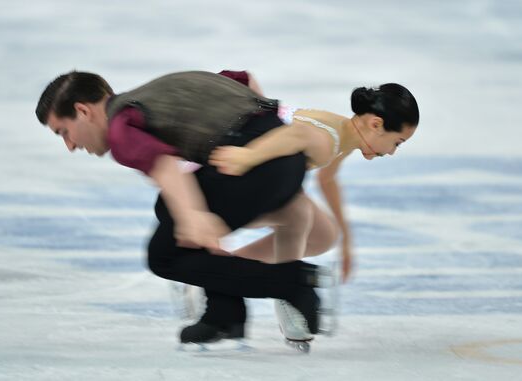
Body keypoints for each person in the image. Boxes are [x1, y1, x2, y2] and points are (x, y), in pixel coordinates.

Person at [35, 69, 326, 344]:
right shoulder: (152, 95)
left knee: (164, 256)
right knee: (169, 207)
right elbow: (243, 80)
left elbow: (165, 168)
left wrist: (193, 216)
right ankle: (224, 311)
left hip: (256, 165)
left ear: (83, 111)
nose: (70, 145)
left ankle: (295, 281)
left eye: (64, 132)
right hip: (288, 157)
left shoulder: (120, 128)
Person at [210, 83, 420, 285]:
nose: (392, 152)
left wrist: (346, 238)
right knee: (298, 215)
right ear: (376, 124)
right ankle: (287, 293)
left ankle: (225, 269)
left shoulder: (345, 133)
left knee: (323, 235)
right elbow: (298, 135)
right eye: (397, 142)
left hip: (250, 173)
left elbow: (326, 178)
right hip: (222, 170)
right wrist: (248, 156)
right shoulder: (328, 142)